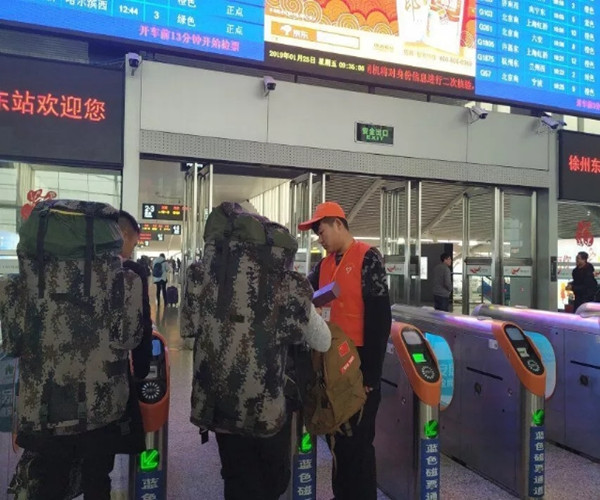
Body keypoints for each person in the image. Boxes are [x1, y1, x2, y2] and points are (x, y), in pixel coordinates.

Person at [181, 202, 332, 500]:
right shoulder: (287, 283)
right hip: (267, 410)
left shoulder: (201, 275)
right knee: (272, 481)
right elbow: (323, 341)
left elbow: (187, 335)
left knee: (235, 477)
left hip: (219, 405)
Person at [298, 201, 391, 500]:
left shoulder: (367, 257)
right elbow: (304, 294)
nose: (319, 238)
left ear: (338, 223)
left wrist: (371, 376)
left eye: (321, 230)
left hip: (359, 367)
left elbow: (380, 318)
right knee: (337, 439)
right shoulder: (324, 265)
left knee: (358, 443)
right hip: (331, 366)